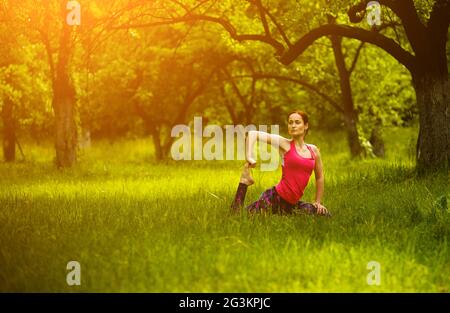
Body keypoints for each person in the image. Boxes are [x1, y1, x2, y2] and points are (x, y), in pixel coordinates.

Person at [231, 110, 331, 216]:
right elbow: (252, 134)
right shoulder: (284, 144)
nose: (293, 125)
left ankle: (288, 212)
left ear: (306, 125)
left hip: (292, 205)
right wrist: (249, 157)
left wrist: (318, 202)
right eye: (290, 122)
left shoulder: (313, 150)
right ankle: (244, 181)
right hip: (274, 198)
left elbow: (319, 177)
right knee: (238, 215)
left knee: (324, 214)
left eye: (297, 122)